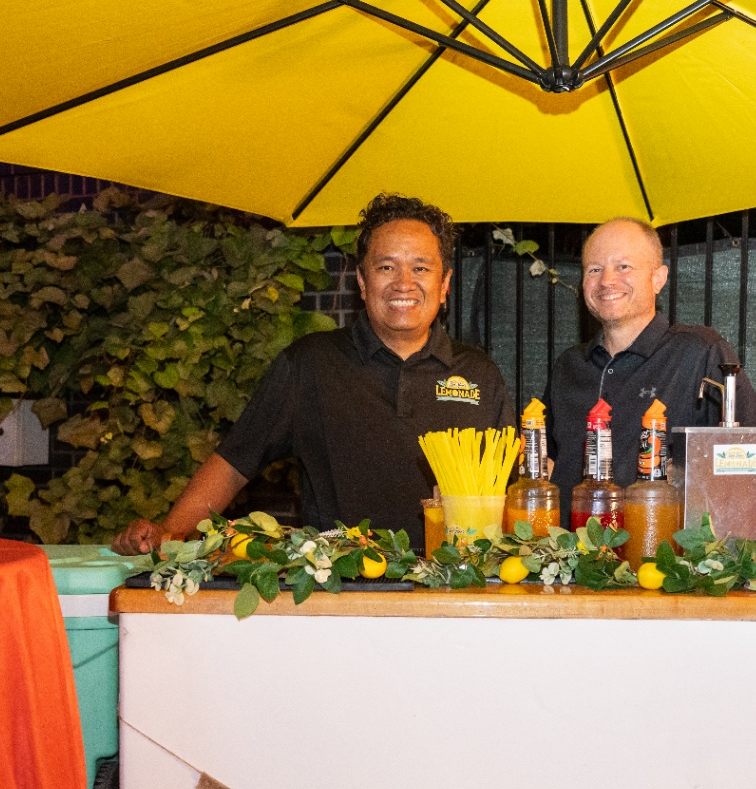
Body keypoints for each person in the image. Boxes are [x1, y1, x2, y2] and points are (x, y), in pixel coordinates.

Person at [112, 194, 513, 555]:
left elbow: (512, 495)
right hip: (336, 593)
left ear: (444, 284)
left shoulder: (480, 375)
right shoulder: (310, 364)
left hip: (452, 594)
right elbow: (234, 462)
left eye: (420, 268)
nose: (403, 283)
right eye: (386, 266)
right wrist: (169, 532)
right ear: (362, 280)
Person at [544, 217, 756, 532]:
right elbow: (548, 463)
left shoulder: (698, 352)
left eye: (623, 266)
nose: (607, 280)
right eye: (594, 269)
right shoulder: (569, 366)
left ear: (658, 278)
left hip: (659, 566)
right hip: (569, 566)